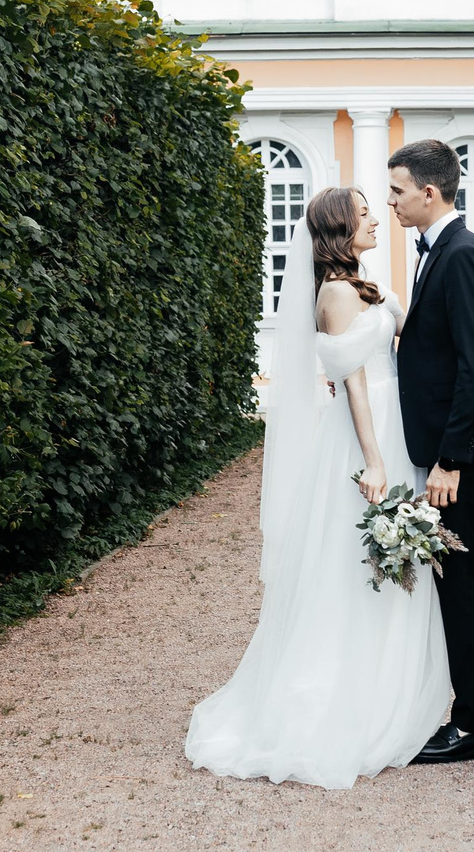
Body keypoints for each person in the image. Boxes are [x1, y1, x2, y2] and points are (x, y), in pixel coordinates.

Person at [183, 186, 450, 788]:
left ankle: (391, 687)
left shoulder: (364, 281)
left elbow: (407, 336)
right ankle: (343, 698)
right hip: (366, 430)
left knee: (386, 561)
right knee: (350, 562)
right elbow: (353, 381)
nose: (374, 219)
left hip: (394, 415)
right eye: (362, 215)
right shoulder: (333, 292)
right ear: (338, 229)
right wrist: (376, 461)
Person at [386, 139, 474, 765]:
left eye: (397, 190)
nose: (391, 200)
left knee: (456, 575)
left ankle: (472, 726)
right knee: (468, 572)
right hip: (454, 441)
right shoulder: (439, 249)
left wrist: (449, 461)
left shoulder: (462, 254)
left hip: (461, 448)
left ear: (429, 192)